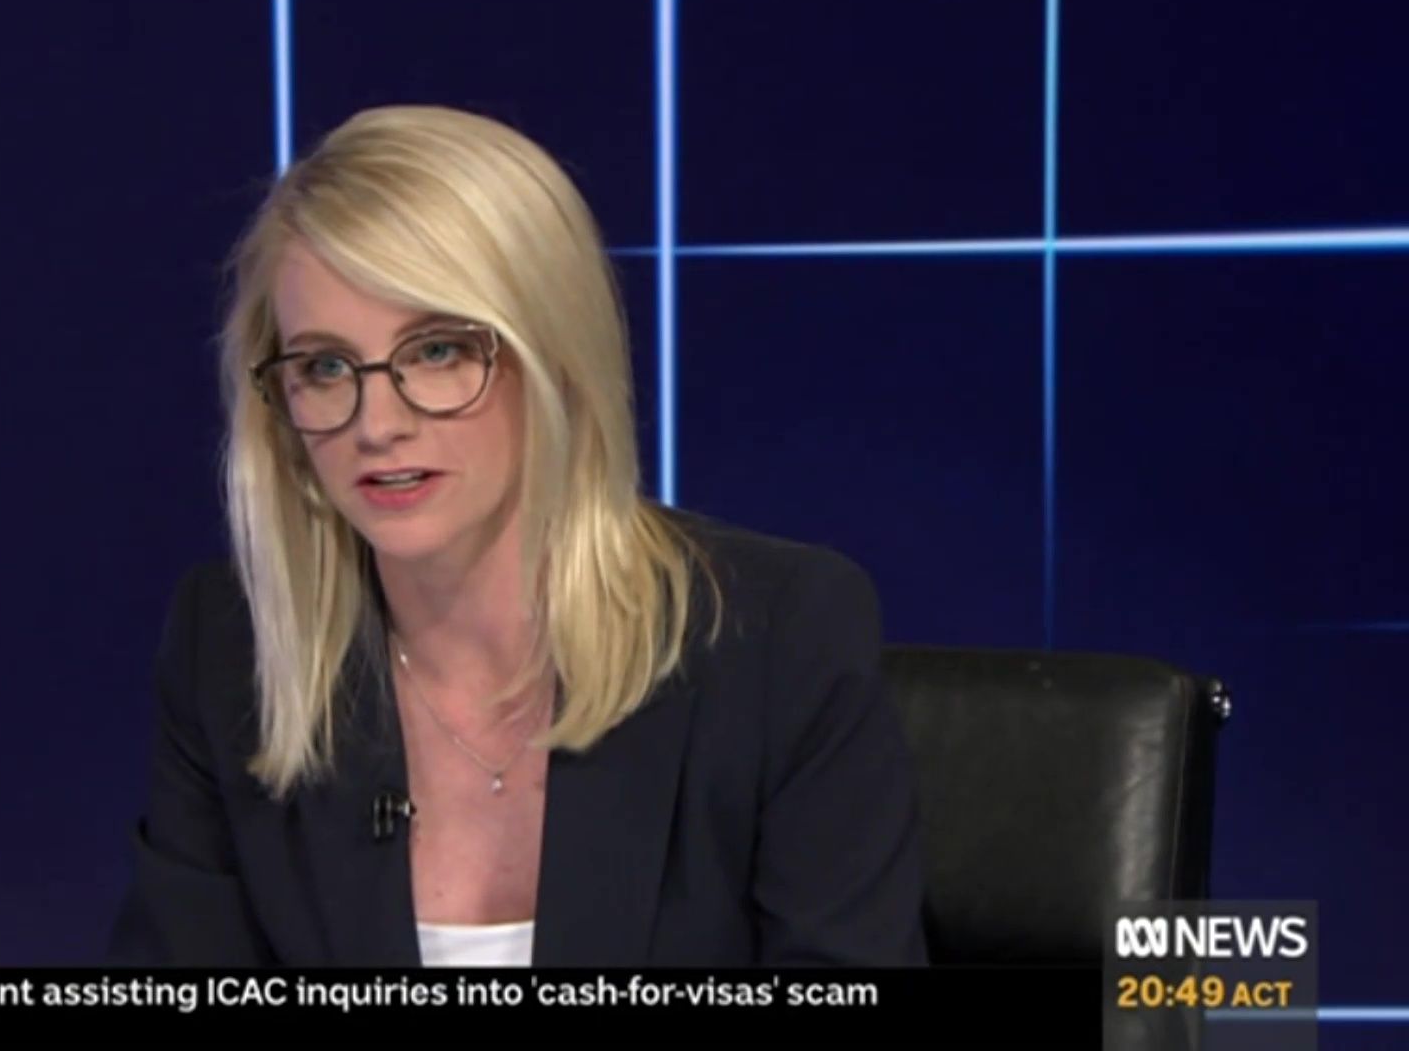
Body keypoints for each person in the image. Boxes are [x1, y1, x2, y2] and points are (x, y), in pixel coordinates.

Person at [107, 104, 928, 967]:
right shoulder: (230, 650)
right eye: (326, 366)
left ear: (555, 357)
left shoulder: (775, 636)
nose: (377, 424)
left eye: (437, 351)